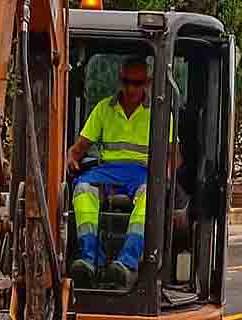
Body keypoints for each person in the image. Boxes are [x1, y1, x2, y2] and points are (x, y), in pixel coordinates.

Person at [66, 60, 174, 290]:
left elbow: (174, 156)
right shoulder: (104, 109)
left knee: (151, 195)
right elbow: (80, 147)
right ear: (120, 80)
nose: (131, 89)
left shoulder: (159, 114)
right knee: (82, 189)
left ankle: (126, 262)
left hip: (143, 173)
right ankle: (88, 258)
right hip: (108, 172)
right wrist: (71, 157)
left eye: (137, 83)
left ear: (147, 83)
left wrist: (166, 175)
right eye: (126, 82)